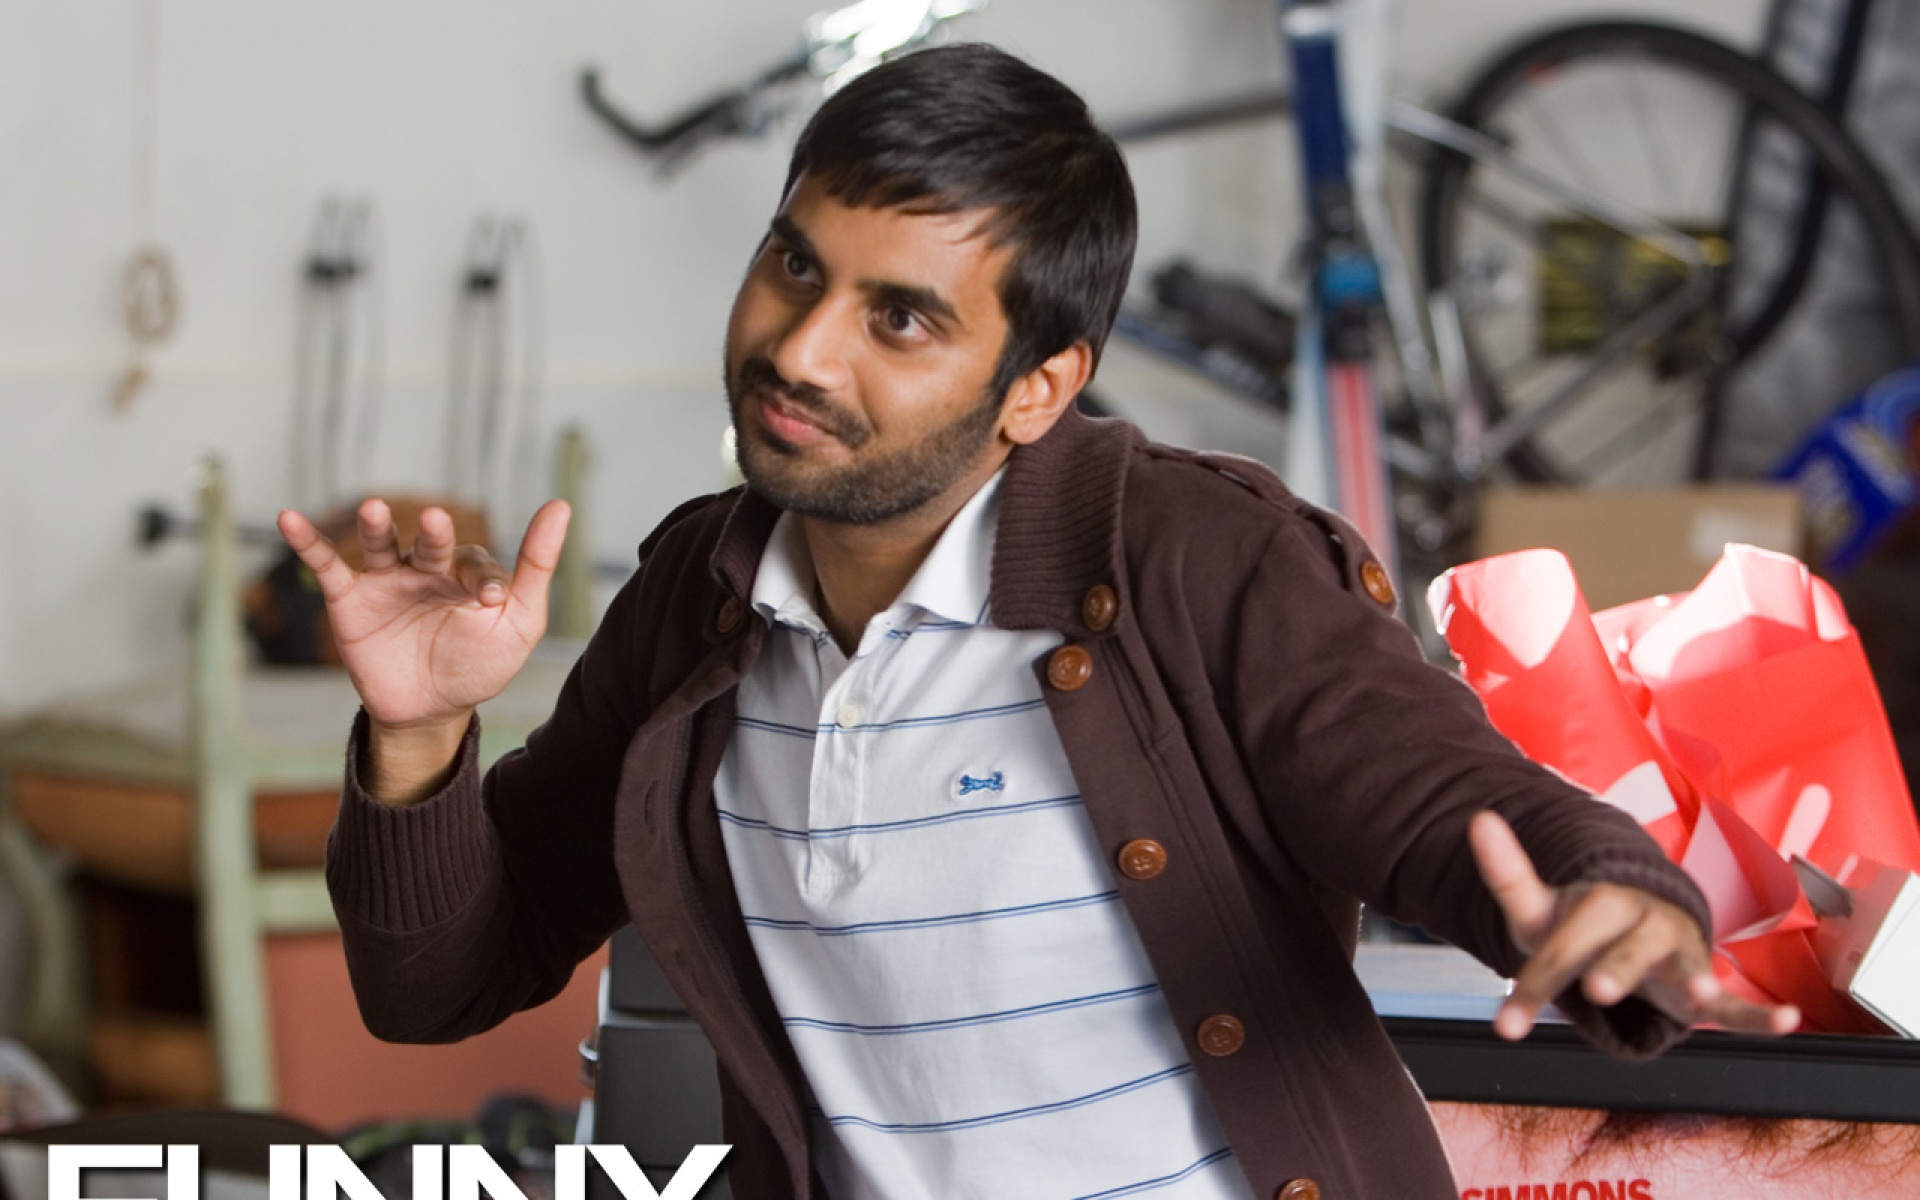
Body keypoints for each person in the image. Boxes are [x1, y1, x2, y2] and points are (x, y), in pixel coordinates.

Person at [280, 45, 1796, 1200]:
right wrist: (420, 734)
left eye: (901, 317)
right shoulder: (700, 595)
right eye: (795, 263)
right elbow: (437, 988)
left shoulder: (1196, 555)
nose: (801, 349)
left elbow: (1440, 792)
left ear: (1039, 388)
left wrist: (1613, 893)